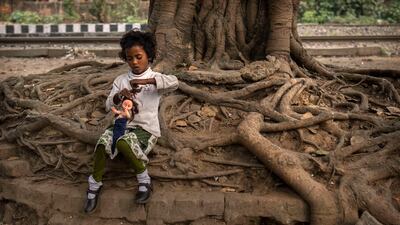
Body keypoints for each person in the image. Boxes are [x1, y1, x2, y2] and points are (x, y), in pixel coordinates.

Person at [84, 30, 179, 214]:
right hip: (121, 125)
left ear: (148, 56)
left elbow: (175, 82)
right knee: (103, 143)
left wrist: (149, 81)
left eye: (139, 57)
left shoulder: (157, 78)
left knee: (122, 142)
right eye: (130, 58)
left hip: (146, 130)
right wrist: (120, 95)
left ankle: (144, 181)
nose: (134, 62)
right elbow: (107, 105)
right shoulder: (121, 80)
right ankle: (94, 186)